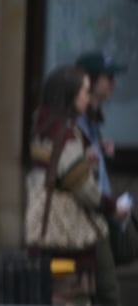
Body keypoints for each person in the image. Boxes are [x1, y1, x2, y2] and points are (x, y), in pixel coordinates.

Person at [25, 65, 130, 305]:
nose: (87, 95)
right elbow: (82, 184)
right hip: (68, 240)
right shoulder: (64, 132)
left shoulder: (45, 125)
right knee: (73, 298)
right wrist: (112, 206)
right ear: (69, 94)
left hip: (48, 239)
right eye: (83, 90)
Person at [75, 51, 131, 306]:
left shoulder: (92, 121)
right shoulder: (74, 122)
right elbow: (78, 180)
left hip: (100, 216)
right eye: (108, 78)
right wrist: (110, 206)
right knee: (107, 293)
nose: (113, 85)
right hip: (90, 220)